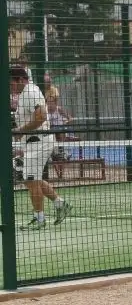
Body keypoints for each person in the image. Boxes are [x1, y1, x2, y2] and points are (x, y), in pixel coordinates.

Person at [11, 66, 72, 230]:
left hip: (40, 142)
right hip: (33, 142)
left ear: (21, 80)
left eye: (12, 83)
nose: (10, 87)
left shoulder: (30, 92)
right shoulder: (24, 94)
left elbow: (41, 116)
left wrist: (21, 130)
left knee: (30, 180)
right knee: (33, 178)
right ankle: (61, 204)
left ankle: (39, 219)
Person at [43, 81, 75, 181]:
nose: (50, 104)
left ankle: (63, 153)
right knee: (53, 155)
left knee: (61, 152)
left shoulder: (59, 109)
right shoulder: (45, 111)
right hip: (50, 135)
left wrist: (64, 122)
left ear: (55, 103)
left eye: (52, 102)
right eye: (48, 102)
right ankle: (58, 173)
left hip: (60, 132)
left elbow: (71, 118)